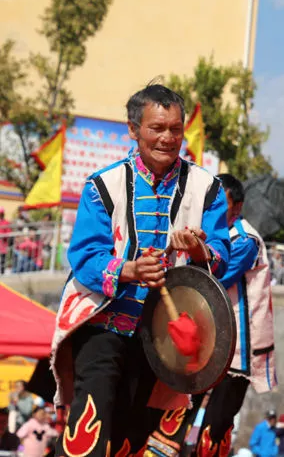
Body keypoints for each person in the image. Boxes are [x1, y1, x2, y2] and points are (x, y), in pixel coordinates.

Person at [49, 84, 231, 457]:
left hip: (164, 340)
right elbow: (84, 258)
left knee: (133, 437)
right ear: (133, 129)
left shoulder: (207, 188)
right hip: (103, 324)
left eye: (176, 129)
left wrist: (199, 249)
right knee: (91, 429)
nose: (168, 138)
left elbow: (221, 256)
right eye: (157, 128)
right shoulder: (103, 185)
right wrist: (129, 269)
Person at [148, 173, 277, 457]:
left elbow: (212, 280)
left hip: (235, 352)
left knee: (215, 427)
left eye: (222, 204)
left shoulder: (245, 240)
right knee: (175, 415)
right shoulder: (201, 233)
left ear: (237, 208)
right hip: (201, 345)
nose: (214, 210)